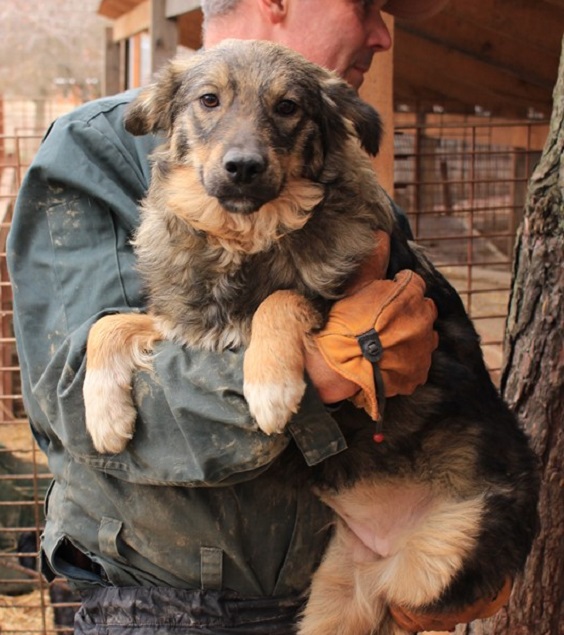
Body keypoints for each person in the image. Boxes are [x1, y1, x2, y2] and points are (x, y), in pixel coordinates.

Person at [7, 0, 505, 633]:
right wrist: (317, 371)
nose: (382, 33)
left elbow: (446, 379)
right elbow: (70, 399)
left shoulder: (343, 177)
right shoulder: (96, 149)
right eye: (365, 4)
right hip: (171, 610)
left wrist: (484, 531)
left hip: (348, 580)